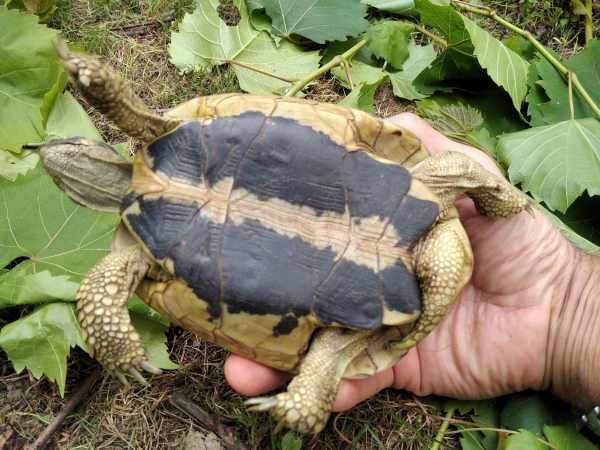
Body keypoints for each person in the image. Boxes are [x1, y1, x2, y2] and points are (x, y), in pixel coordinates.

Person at [223, 113, 600, 413]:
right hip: (355, 301)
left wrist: (564, 304)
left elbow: (462, 169)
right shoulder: (426, 187)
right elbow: (464, 169)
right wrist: (561, 292)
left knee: (320, 365)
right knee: (322, 360)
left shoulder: (425, 191)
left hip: (332, 299)